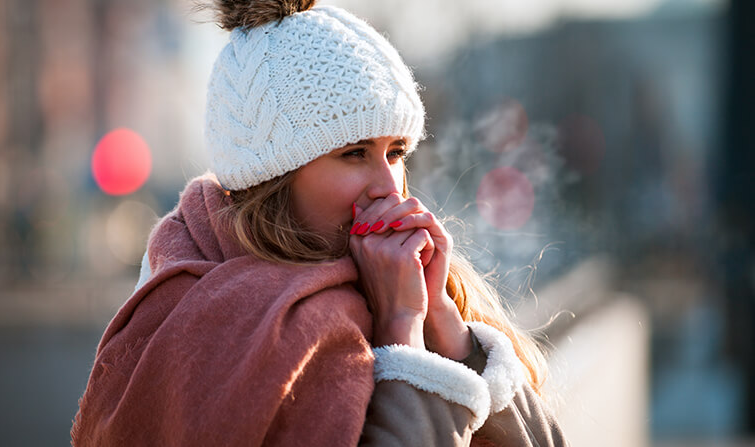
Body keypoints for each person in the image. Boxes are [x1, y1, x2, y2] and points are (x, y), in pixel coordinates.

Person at [72, 1, 569, 446]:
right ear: (273, 180)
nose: (389, 188)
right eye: (353, 153)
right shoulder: (198, 310)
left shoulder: (418, 284)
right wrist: (402, 336)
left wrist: (444, 323)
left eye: (395, 152)